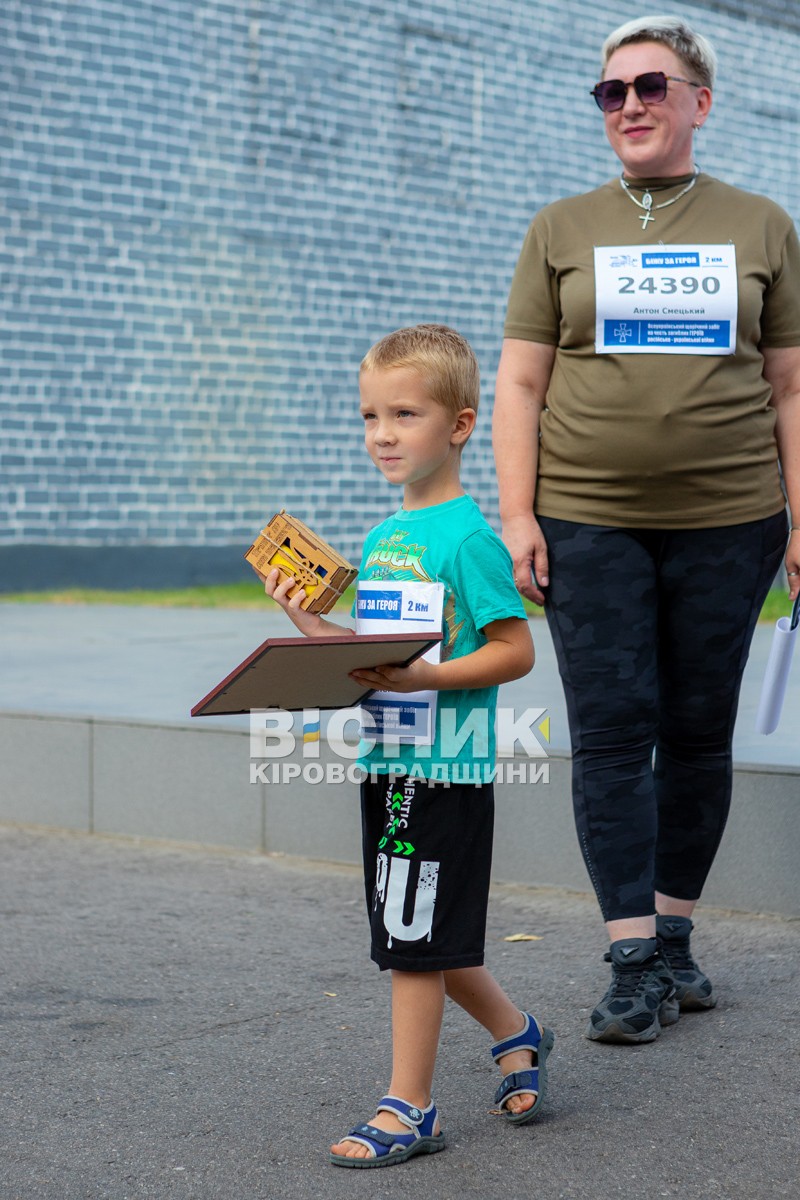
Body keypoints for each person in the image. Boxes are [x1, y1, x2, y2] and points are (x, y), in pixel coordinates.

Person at [493, 15, 800, 1045]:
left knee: (699, 734)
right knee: (614, 733)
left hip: (731, 524)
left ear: (698, 102)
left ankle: (674, 939)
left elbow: (789, 384)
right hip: (588, 522)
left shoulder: (759, 224)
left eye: (650, 87)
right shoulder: (557, 228)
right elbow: (522, 382)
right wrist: (518, 511)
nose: (627, 104)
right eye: (610, 91)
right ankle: (629, 957)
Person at [265, 324, 554, 1166]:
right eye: (369, 416)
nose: (382, 434)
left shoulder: (466, 538)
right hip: (389, 759)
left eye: (405, 414)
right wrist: (308, 622)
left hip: (444, 770)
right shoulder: (390, 536)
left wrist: (425, 680)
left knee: (411, 936)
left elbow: (516, 649)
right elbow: (377, 655)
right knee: (409, 929)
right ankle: (517, 1030)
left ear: (461, 426)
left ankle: (410, 1107)